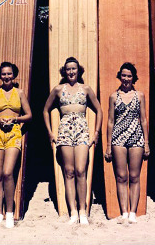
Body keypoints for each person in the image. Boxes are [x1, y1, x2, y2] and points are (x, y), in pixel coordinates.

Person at [43, 56, 102, 225]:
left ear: (79, 70)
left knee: (81, 170)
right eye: (68, 69)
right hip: (65, 132)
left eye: (74, 68)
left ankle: (83, 210)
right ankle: (73, 212)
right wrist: (50, 132)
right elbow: (46, 110)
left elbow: (99, 110)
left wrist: (96, 133)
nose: (71, 72)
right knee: (68, 172)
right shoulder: (58, 89)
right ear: (64, 71)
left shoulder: (86, 89)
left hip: (82, 131)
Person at [0, 62, 32, 229]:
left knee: (8, 172)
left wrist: (15, 119)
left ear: (14, 75)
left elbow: (29, 115)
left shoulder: (20, 93)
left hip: (14, 133)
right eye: (4, 74)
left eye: (9, 74)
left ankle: (9, 213)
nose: (7, 77)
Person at [104, 63, 149, 224]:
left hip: (136, 137)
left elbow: (143, 119)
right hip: (118, 138)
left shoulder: (140, 96)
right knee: (121, 176)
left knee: (135, 176)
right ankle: (124, 211)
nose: (126, 79)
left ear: (133, 77)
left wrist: (147, 142)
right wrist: (108, 145)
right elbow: (110, 121)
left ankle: (133, 212)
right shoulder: (113, 97)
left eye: (129, 76)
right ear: (120, 76)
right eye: (123, 75)